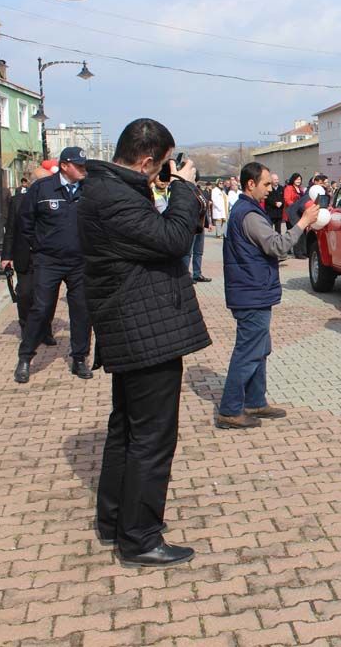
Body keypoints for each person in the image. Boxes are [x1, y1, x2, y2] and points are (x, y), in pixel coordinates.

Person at [79, 118, 209, 567]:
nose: (166, 173)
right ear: (148, 159)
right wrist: (185, 191)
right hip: (142, 332)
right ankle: (139, 538)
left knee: (127, 431)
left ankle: (117, 520)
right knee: (152, 438)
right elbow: (173, 240)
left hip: (135, 328)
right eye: (164, 165)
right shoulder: (114, 196)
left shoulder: (106, 190)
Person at [216, 162, 319, 429]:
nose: (270, 190)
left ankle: (255, 401)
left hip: (253, 291)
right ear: (251, 184)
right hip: (251, 294)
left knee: (260, 349)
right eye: (266, 185)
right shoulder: (248, 215)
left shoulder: (248, 211)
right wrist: (303, 223)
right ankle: (230, 409)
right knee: (248, 351)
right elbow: (277, 245)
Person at [13, 146, 93, 384]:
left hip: (80, 261)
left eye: (84, 166)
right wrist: (38, 248)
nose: (82, 170)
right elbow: (25, 222)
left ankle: (80, 358)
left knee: (81, 310)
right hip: (49, 260)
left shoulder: (89, 190)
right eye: (78, 166)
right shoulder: (42, 188)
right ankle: (25, 357)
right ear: (65, 166)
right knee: (41, 308)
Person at [2, 171, 57, 343]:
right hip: (24, 255)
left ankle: (45, 330)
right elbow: (10, 230)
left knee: (46, 295)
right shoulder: (17, 201)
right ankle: (27, 329)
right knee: (25, 294)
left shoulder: (53, 200)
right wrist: (6, 256)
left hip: (47, 256)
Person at [184, 180, 213, 283]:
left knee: (198, 252)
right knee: (188, 252)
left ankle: (197, 273)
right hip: (191, 226)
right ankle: (186, 274)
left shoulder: (201, 192)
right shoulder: (185, 191)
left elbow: (206, 209)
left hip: (200, 225)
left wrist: (209, 222)